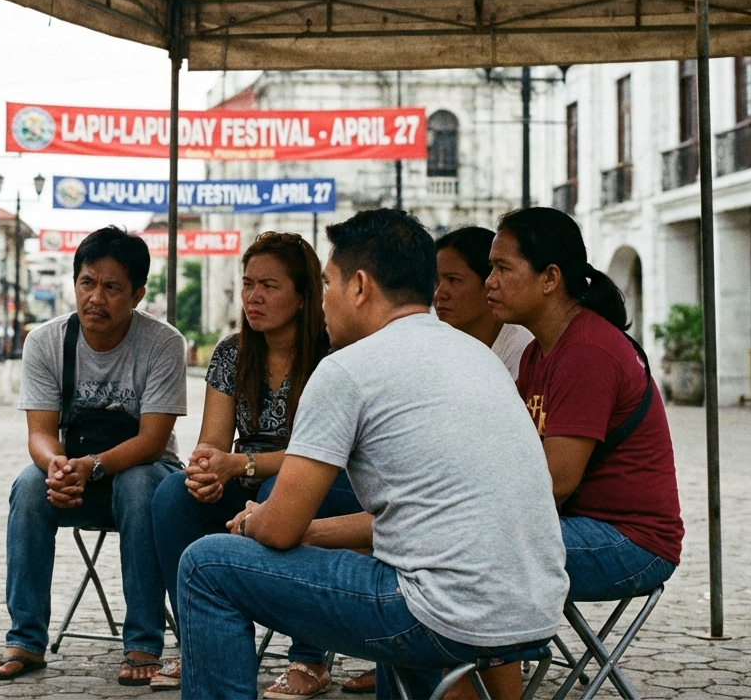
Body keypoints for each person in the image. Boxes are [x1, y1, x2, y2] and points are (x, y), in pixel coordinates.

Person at [178, 209, 568, 700]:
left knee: (207, 564)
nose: (322, 303)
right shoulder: (477, 355)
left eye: (327, 285)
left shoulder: (348, 369)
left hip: (439, 613)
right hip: (531, 611)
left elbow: (279, 528)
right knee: (391, 577)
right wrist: (312, 531)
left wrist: (253, 521)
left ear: (359, 286)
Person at [149, 232, 364, 697]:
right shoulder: (231, 352)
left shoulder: (332, 354)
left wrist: (238, 465)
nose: (254, 296)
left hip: (323, 476)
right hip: (246, 472)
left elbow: (327, 454)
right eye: (248, 283)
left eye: (269, 285)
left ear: (304, 296)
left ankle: (310, 658)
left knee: (280, 494)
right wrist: (206, 471)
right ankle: (202, 645)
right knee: (171, 496)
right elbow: (212, 443)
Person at [480, 207, 684, 692]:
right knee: (434, 537)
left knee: (470, 548)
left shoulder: (587, 351)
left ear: (550, 278)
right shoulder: (537, 350)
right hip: (574, 526)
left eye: (502, 268)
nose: (489, 282)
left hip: (631, 542)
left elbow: (553, 483)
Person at [0, 226, 187, 686]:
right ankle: (26, 640)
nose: (96, 297)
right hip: (75, 475)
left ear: (137, 294)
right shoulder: (46, 341)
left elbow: (153, 440)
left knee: (137, 485)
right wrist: (56, 465)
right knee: (30, 487)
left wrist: (93, 466)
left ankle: (143, 643)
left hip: (146, 476)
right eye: (87, 283)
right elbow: (39, 433)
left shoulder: (164, 343)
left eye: (112, 287)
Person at [434, 227, 535, 380]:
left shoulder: (521, 351)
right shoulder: (433, 343)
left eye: (453, 280)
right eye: (436, 282)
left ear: (489, 282)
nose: (438, 294)